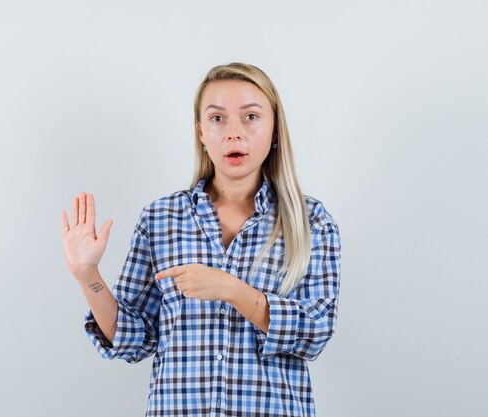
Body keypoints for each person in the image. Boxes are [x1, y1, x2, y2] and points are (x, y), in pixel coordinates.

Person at [60, 62, 342, 417]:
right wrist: (88, 277)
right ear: (201, 133)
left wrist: (233, 290)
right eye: (217, 118)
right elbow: (134, 338)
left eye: (251, 117)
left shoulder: (312, 221)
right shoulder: (160, 219)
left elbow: (315, 333)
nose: (234, 133)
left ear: (274, 131)